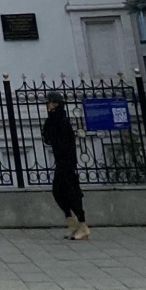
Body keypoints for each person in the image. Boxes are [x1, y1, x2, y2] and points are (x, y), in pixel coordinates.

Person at [42, 90, 90, 240]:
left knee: (72, 192)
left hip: (67, 162)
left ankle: (82, 225)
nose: (47, 105)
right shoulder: (53, 120)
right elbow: (47, 138)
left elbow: (65, 142)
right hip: (60, 161)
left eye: (49, 102)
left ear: (56, 104)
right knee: (58, 192)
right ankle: (71, 222)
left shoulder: (62, 121)